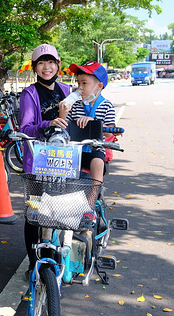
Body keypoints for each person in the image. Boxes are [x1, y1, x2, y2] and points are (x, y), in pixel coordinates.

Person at [19, 43, 71, 275]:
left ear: (58, 65)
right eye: (41, 62)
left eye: (51, 62)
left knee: (59, 211)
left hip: (64, 160)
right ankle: (33, 260)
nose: (46, 67)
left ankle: (53, 255)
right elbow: (25, 128)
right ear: (35, 67)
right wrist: (47, 124)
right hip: (38, 161)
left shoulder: (67, 90)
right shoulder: (29, 94)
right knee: (35, 214)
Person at [60, 60, 116, 184]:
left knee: (97, 163)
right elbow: (64, 127)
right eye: (78, 83)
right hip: (75, 149)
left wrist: (95, 123)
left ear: (99, 86)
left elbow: (109, 132)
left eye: (84, 83)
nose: (80, 88)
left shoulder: (107, 106)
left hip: (94, 150)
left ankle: (93, 197)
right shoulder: (75, 106)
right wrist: (63, 112)